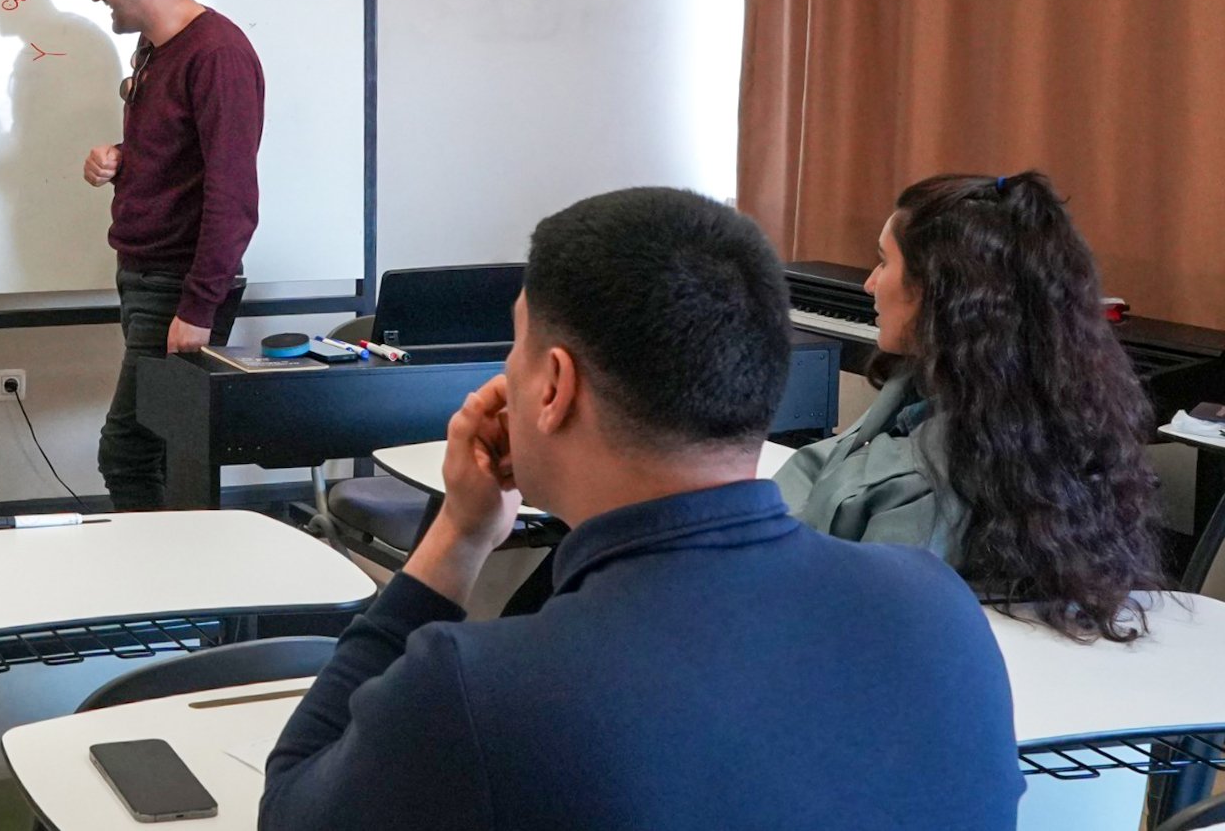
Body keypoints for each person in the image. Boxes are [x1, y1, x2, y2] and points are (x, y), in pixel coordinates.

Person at [261, 188, 1023, 831]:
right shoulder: (934, 608)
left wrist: (458, 536)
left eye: (517, 349)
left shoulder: (479, 690)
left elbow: (292, 809)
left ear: (554, 387)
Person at [774, 171, 1163, 642]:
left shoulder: (926, 494)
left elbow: (852, 625)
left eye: (883, 262)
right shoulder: (1018, 407)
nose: (870, 284)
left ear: (938, 290)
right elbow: (827, 463)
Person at [79, 0, 263, 511]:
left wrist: (198, 306)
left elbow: (233, 196)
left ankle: (166, 571)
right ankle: (170, 565)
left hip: (177, 286)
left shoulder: (218, 54)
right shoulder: (156, 49)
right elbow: (179, 154)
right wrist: (121, 158)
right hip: (143, 276)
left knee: (127, 453)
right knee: (152, 448)